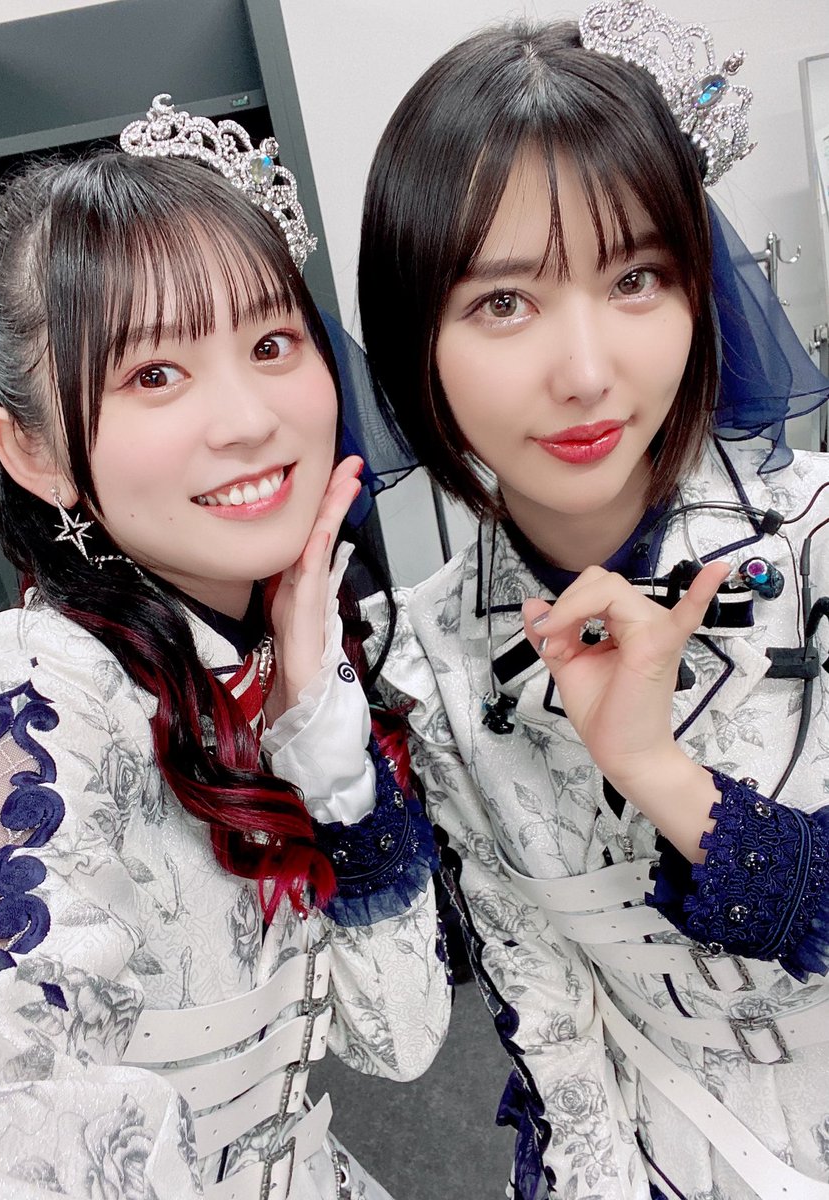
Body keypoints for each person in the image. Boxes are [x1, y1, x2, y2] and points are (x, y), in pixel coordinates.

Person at [0, 96, 448, 1199]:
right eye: (153, 374)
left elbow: (400, 1039)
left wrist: (332, 756)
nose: (249, 418)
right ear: (34, 454)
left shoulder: (283, 655)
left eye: (270, 343)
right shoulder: (38, 694)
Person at [358, 3, 829, 1198]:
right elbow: (544, 1006)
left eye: (635, 278)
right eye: (503, 303)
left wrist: (662, 775)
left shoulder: (819, 538)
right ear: (416, 340)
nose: (584, 372)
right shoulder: (426, 659)